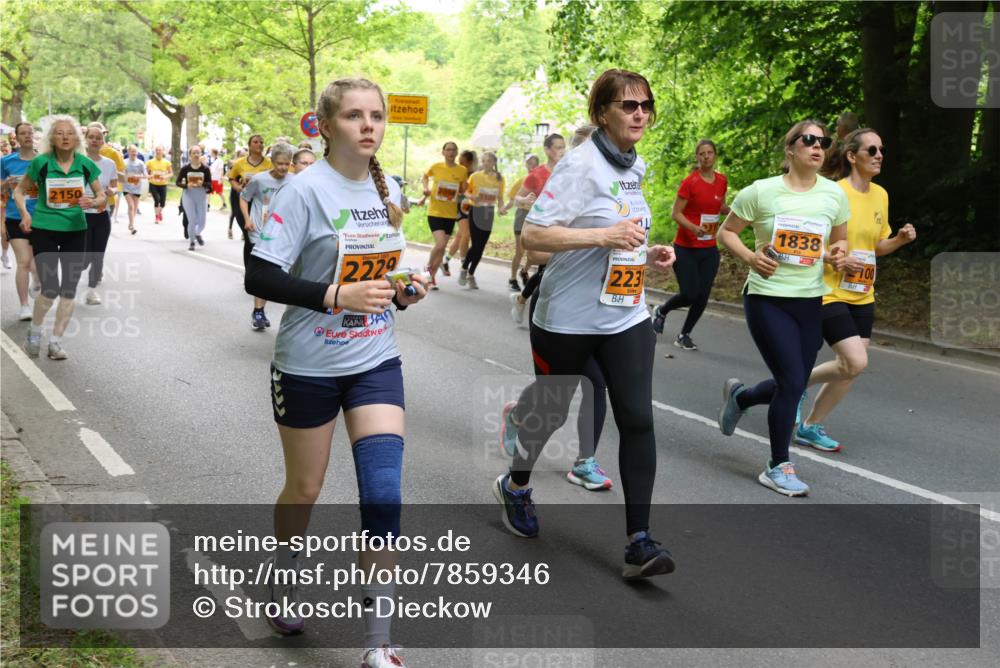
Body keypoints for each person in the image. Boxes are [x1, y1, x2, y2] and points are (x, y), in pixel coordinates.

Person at [244, 76, 427, 668]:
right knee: (305, 488)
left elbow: (380, 272)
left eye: (376, 115)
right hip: (308, 367)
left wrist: (402, 289)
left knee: (383, 493)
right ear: (326, 126)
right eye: (354, 116)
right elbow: (260, 277)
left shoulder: (387, 186)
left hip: (375, 359)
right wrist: (334, 296)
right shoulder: (301, 192)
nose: (369, 125)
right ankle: (285, 578)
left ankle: (379, 640)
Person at [494, 69, 677, 580]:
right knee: (550, 413)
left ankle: (639, 542)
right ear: (602, 114)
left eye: (645, 104)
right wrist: (603, 238)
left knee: (637, 417)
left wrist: (647, 250)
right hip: (568, 318)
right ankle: (516, 485)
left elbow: (623, 225)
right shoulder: (579, 165)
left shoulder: (633, 162)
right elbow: (532, 237)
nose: (639, 113)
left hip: (625, 313)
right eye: (627, 105)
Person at [716, 119, 851, 497]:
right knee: (793, 381)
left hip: (810, 300)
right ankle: (778, 464)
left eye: (823, 141)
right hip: (766, 298)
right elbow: (726, 232)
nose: (817, 146)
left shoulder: (833, 195)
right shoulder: (760, 192)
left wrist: (839, 257)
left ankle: (741, 398)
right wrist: (750, 257)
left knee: (792, 380)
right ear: (790, 148)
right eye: (808, 140)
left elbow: (838, 244)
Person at [796, 128, 916, 451]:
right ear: (852, 156)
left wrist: (899, 240)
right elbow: (812, 242)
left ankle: (810, 425)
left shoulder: (881, 195)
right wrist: (837, 259)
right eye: (872, 150)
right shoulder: (833, 193)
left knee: (851, 369)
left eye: (881, 150)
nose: (879, 155)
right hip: (829, 289)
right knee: (856, 360)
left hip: (863, 291)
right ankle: (798, 384)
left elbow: (876, 246)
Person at [13, 115, 106, 360]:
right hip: (44, 228)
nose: (65, 137)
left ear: (77, 138)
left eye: (70, 133)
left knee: (69, 290)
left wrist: (93, 201)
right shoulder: (41, 163)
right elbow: (20, 191)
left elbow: (102, 196)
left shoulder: (85, 164)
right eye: (59, 133)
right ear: (52, 138)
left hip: (76, 230)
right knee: (50, 288)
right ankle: (35, 331)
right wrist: (24, 214)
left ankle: (55, 342)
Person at [652, 139, 730, 350]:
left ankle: (684, 334)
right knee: (689, 293)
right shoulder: (690, 182)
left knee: (703, 295)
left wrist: (730, 210)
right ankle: (662, 310)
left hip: (709, 248)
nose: (706, 157)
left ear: (715, 156)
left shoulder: (722, 180)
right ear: (697, 157)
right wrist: (694, 228)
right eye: (702, 153)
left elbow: (719, 205)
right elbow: (675, 213)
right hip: (685, 248)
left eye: (710, 153)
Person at [507, 133, 567, 323]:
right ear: (547, 150)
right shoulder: (537, 175)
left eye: (563, 147)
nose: (561, 151)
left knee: (548, 271)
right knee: (546, 269)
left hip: (561, 226)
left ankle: (521, 299)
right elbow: (516, 198)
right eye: (557, 147)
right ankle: (534, 311)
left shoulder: (568, 171)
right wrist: (524, 200)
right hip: (541, 228)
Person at [241, 142, 295, 330]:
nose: (282, 168)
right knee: (264, 272)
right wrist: (247, 219)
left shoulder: (294, 181)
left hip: (283, 232)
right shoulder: (259, 179)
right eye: (279, 163)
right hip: (260, 231)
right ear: (272, 161)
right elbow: (243, 197)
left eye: (286, 164)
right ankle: (258, 312)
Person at [1, 121, 40, 320]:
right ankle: (24, 306)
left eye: (30, 133)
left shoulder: (44, 160)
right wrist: (6, 183)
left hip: (42, 218)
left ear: (34, 136)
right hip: (16, 217)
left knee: (38, 261)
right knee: (23, 261)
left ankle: (37, 280)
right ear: (16, 137)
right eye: (23, 133)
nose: (27, 136)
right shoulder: (6, 161)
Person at [81, 124, 119, 306]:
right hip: (80, 215)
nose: (95, 140)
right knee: (84, 257)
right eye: (92, 137)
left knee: (98, 254)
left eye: (99, 138)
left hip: (101, 213)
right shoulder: (76, 160)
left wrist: (112, 191)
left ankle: (92, 291)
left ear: (103, 141)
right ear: (85, 140)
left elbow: (114, 185)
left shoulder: (109, 163)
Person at [422, 142, 467, 288]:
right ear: (443, 152)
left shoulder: (462, 170)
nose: (451, 152)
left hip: (450, 214)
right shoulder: (436, 166)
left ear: (457, 152)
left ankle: (432, 277)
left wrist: (461, 191)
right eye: (448, 150)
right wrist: (426, 188)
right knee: (440, 244)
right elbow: (425, 176)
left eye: (454, 150)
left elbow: (463, 187)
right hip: (435, 211)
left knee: (442, 248)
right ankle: (428, 267)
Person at [457, 151, 505, 289]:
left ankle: (471, 273)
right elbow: (465, 191)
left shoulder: (499, 178)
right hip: (476, 211)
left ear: (494, 163)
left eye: (489, 161)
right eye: (484, 161)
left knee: (481, 246)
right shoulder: (475, 176)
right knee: (476, 244)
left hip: (488, 212)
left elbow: (500, 198)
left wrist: (501, 208)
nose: (486, 163)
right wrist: (472, 197)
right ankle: (464, 269)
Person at [500, 154, 540, 290]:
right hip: (522, 215)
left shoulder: (543, 181)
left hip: (536, 217)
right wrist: (504, 208)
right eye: (529, 163)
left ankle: (524, 270)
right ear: (526, 165)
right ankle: (512, 279)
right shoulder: (522, 180)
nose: (532, 166)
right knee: (520, 250)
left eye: (535, 164)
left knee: (534, 252)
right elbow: (513, 199)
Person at [228, 136, 272, 242]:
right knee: (248, 235)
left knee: (259, 235)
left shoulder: (269, 163)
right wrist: (238, 188)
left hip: (262, 201)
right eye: (255, 142)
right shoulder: (240, 163)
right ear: (249, 145)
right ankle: (249, 258)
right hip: (245, 201)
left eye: (261, 142)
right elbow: (231, 178)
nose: (259, 144)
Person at [176, 146, 212, 251]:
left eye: (198, 153)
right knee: (192, 220)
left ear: (201, 154)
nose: (196, 155)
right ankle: (192, 242)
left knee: (202, 221)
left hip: (201, 196)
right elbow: (177, 182)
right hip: (189, 195)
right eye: (194, 153)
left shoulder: (205, 169)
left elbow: (210, 184)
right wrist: (186, 185)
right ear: (190, 155)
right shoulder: (185, 168)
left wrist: (203, 183)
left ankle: (196, 233)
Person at [122, 145, 146, 234]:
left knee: (135, 208)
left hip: (137, 187)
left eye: (135, 151)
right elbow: (121, 174)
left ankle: (131, 223)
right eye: (132, 151)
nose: (134, 153)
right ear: (128, 152)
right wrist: (124, 176)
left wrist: (138, 176)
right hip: (127, 187)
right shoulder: (124, 162)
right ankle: (132, 226)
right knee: (131, 206)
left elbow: (145, 175)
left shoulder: (140, 163)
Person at [145, 145, 172, 224]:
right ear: (155, 151)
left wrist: (165, 176)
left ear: (163, 151)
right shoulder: (150, 162)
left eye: (160, 150)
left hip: (163, 184)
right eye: (157, 150)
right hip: (153, 183)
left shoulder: (167, 162)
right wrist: (148, 176)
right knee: (157, 199)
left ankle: (159, 212)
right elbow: (146, 172)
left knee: (163, 203)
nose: (158, 151)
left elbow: (171, 173)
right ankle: (156, 217)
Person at [208, 147, 227, 213]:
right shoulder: (213, 161)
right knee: (209, 192)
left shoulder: (220, 161)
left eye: (211, 152)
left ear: (214, 153)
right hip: (212, 179)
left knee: (220, 192)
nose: (210, 153)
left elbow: (221, 170)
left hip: (217, 179)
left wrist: (220, 179)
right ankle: (207, 205)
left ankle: (224, 204)